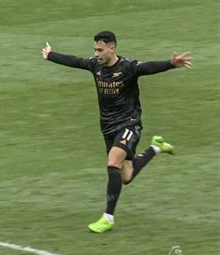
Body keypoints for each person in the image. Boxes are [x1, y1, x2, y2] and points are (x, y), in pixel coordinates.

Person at [42, 31, 192, 232]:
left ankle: (108, 218)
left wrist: (171, 64)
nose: (96, 54)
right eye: (95, 49)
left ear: (112, 48)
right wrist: (51, 55)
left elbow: (147, 68)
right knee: (126, 176)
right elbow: (75, 61)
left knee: (113, 161)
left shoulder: (128, 67)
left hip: (129, 124)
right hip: (107, 127)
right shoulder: (95, 66)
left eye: (100, 50)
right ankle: (155, 148)